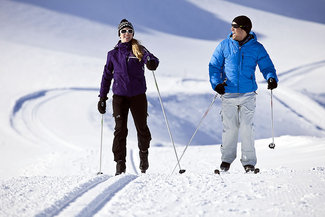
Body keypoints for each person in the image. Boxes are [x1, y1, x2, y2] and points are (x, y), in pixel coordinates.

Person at [209, 15, 278, 172]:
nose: (232, 29)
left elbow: (267, 66)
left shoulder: (257, 48)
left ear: (245, 29)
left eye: (236, 27)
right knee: (230, 128)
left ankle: (249, 162)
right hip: (228, 93)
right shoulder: (224, 45)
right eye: (232, 26)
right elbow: (214, 66)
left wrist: (271, 78)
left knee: (247, 127)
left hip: (248, 94)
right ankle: (226, 160)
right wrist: (216, 83)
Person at [98, 19, 159, 175]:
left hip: (138, 96)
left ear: (133, 34)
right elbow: (106, 76)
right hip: (120, 97)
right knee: (120, 130)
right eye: (124, 31)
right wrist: (102, 97)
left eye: (129, 31)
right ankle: (120, 164)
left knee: (142, 128)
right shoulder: (112, 54)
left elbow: (151, 59)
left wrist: (152, 62)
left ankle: (143, 155)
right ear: (119, 34)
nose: (127, 34)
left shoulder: (139, 49)